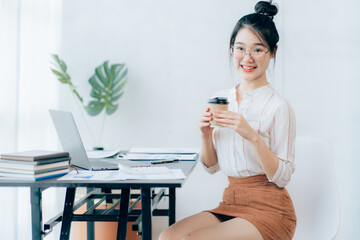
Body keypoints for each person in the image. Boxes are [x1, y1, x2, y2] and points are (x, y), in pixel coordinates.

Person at [159, 1, 296, 240]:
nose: (247, 57)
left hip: (271, 209)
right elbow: (211, 167)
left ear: (273, 51)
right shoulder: (223, 99)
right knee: (168, 236)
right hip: (231, 201)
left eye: (258, 49)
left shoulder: (278, 106)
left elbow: (283, 176)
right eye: (240, 48)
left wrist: (251, 135)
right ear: (232, 49)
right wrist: (204, 133)